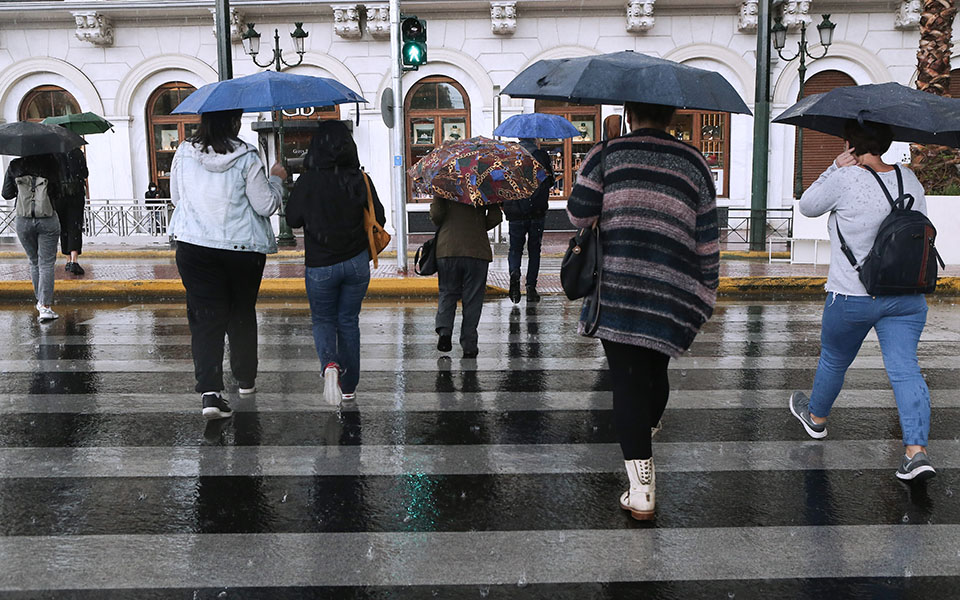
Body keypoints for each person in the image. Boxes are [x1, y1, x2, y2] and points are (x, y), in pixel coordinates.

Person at [566, 101, 719, 520]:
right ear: (672, 114)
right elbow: (707, 235)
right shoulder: (694, 162)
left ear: (630, 112)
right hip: (670, 290)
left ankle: (642, 490)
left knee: (627, 385)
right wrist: (707, 291)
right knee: (654, 374)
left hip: (619, 290)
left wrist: (600, 162)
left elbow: (580, 212)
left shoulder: (607, 153)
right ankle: (644, 436)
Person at [789, 119, 935, 482]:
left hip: (852, 294)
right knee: (905, 369)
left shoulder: (844, 178)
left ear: (851, 144)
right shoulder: (909, 180)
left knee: (835, 359)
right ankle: (916, 454)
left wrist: (833, 166)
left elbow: (807, 206)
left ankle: (817, 419)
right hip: (905, 296)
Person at [168, 108, 286, 420]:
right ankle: (245, 380)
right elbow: (266, 205)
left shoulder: (183, 153)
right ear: (234, 123)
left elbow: (177, 198)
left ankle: (210, 393)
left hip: (194, 246)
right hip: (241, 248)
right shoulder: (247, 157)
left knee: (205, 319)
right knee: (241, 313)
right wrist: (277, 179)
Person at [286, 120, 386, 406]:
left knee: (323, 319)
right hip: (356, 262)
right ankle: (349, 386)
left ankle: (329, 364)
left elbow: (293, 219)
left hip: (320, 264)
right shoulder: (360, 178)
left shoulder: (308, 180)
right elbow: (379, 216)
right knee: (348, 322)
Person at [431, 196, 502, 358]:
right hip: (477, 250)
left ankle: (444, 331)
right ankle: (469, 344)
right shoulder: (484, 185)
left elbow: (436, 215)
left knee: (447, 292)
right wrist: (477, 226)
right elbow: (495, 217)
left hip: (448, 249)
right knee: (473, 299)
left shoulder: (444, 183)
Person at [3, 153, 63, 323]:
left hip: (24, 220)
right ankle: (45, 306)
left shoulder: (15, 166)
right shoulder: (51, 162)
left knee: (34, 261)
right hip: (48, 218)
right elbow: (59, 192)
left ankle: (40, 302)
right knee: (46, 263)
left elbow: (6, 194)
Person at [504, 137, 554, 304]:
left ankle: (514, 274)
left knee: (515, 249)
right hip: (537, 211)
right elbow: (550, 181)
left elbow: (501, 183)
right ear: (535, 138)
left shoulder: (510, 156)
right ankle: (531, 287)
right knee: (534, 250)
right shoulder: (541, 156)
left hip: (515, 212)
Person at [55, 145, 88, 275]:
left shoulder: (54, 153)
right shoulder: (77, 153)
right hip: (76, 193)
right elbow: (85, 173)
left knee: (63, 226)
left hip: (59, 195)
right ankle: (74, 260)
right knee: (75, 225)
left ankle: (68, 260)